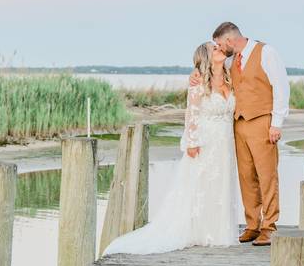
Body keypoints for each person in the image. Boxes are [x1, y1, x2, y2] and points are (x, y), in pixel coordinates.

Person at [103, 42, 241, 255]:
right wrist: (192, 141)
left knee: (222, 183)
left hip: (225, 142)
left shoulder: (230, 75)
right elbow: (192, 114)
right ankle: (200, 231)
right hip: (206, 140)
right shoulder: (198, 82)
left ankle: (219, 230)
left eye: (219, 47)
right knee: (201, 184)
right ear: (205, 58)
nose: (220, 49)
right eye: (214, 49)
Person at [193, 22, 289, 247]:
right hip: (238, 124)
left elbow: (281, 88)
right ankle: (252, 225)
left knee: (267, 176)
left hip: (263, 121)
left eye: (218, 44)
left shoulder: (266, 52)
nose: (218, 48)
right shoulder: (229, 60)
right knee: (246, 177)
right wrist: (194, 76)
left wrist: (277, 123)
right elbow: (208, 70)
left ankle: (270, 226)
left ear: (228, 40)